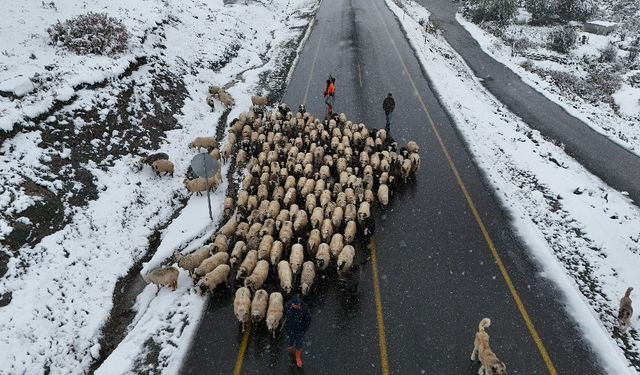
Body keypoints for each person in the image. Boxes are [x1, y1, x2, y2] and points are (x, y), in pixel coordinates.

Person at [284, 294, 311, 368]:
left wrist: (304, 329)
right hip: (290, 330)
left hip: (300, 331)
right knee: (290, 342)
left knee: (299, 344)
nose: (296, 306)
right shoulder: (288, 307)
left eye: (297, 304)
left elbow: (308, 320)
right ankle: (291, 352)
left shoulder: (304, 309)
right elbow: (286, 318)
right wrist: (287, 328)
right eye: (294, 305)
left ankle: (298, 357)